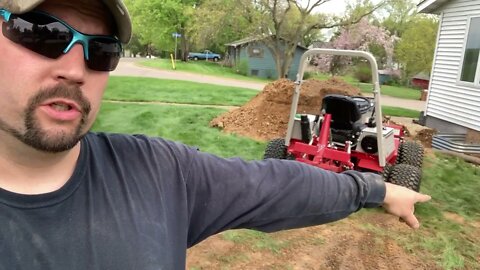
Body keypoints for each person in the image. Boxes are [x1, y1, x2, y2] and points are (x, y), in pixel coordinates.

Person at [0, 0, 431, 269]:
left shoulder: (158, 174)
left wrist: (375, 189)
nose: (75, 70)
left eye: (101, 50)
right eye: (43, 34)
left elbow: (277, 184)